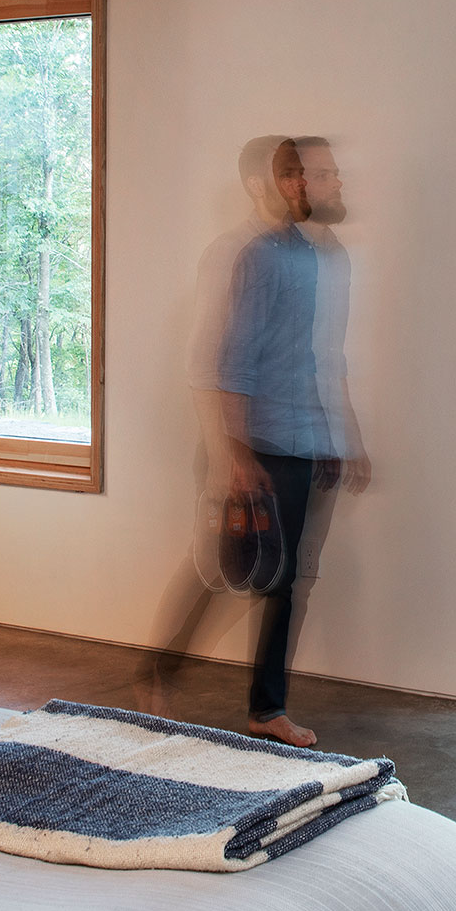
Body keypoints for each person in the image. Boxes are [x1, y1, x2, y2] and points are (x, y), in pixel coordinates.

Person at [182, 135, 366, 747]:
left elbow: (322, 357)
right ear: (283, 183)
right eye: (321, 173)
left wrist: (344, 435)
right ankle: (246, 701)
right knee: (258, 574)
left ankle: (226, 691)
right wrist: (231, 455)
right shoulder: (254, 255)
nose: (335, 182)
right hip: (263, 441)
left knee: (281, 576)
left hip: (302, 435)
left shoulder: (318, 254)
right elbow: (227, 362)